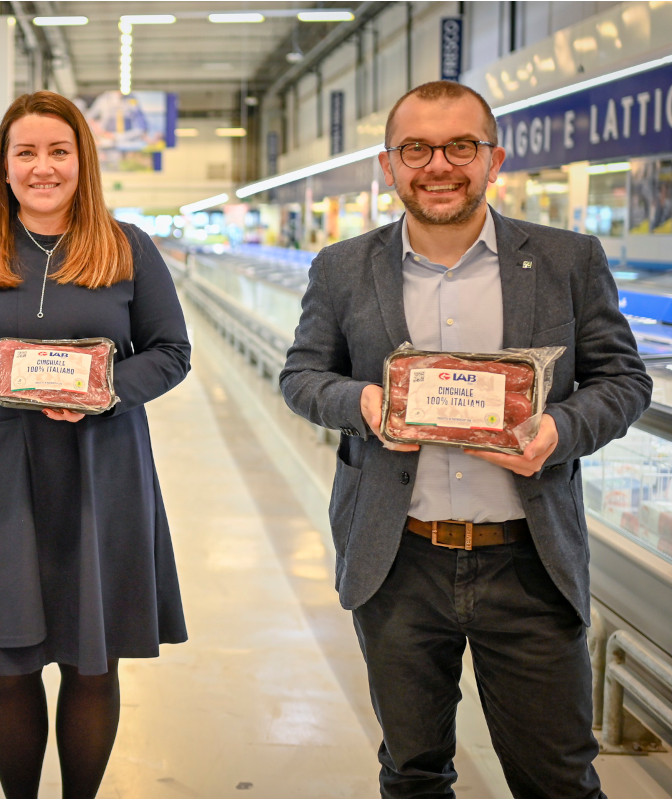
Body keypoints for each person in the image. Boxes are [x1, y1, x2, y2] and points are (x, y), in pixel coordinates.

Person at [279, 80, 651, 798]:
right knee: (413, 773)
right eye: (416, 147)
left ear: (494, 159)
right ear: (389, 165)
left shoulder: (568, 260)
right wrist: (362, 402)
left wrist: (558, 430)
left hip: (529, 561)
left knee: (559, 779)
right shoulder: (343, 268)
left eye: (460, 146)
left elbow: (623, 379)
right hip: (397, 560)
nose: (438, 164)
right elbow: (301, 376)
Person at [0, 90, 190, 799]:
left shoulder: (127, 249)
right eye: (25, 152)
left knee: (93, 662)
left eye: (58, 151)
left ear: (81, 163)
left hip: (100, 471)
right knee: (10, 660)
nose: (42, 167)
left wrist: (101, 392)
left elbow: (171, 352)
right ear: (3, 165)